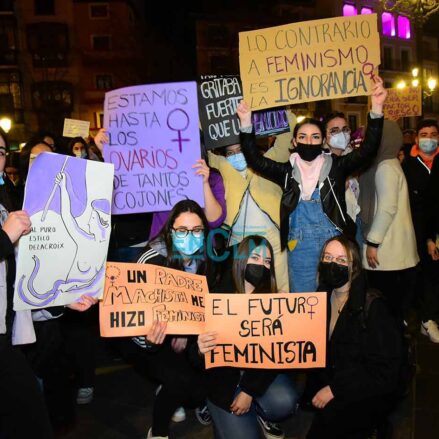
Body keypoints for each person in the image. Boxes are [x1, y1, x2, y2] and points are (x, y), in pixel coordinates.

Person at [237, 77, 386, 292]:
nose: (309, 142)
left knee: (337, 298)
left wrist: (377, 107)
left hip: (334, 243)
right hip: (299, 249)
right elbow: (254, 159)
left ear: (322, 141)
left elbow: (369, 149)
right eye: (303, 137)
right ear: (295, 142)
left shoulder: (336, 167)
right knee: (304, 303)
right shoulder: (286, 172)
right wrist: (245, 123)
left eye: (315, 137)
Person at [131, 200, 217, 439]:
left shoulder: (206, 261)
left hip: (185, 337)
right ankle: (158, 431)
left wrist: (185, 330)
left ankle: (191, 397)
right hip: (148, 340)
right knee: (179, 380)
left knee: (202, 379)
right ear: (170, 231)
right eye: (182, 230)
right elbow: (133, 316)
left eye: (197, 230)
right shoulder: (150, 260)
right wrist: (148, 340)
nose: (190, 236)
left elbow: (202, 306)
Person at [197, 235, 298, 439]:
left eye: (267, 261)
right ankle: (216, 413)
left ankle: (260, 412)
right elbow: (194, 361)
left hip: (255, 379)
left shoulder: (274, 302)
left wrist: (249, 391)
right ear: (241, 260)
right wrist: (200, 349)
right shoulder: (218, 299)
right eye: (255, 258)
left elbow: (274, 356)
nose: (261, 265)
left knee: (286, 401)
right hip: (222, 385)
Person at [306, 235, 402, 439]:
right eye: (328, 257)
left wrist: (334, 389)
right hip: (336, 386)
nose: (333, 264)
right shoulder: (321, 296)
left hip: (366, 392)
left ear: (354, 267)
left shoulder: (373, 307)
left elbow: (385, 372)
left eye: (341, 260)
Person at [207, 125, 293, 293]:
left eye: (240, 150)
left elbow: (285, 139)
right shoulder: (223, 166)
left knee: (279, 285)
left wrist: (283, 108)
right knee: (237, 287)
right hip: (238, 239)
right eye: (230, 153)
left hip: (272, 237)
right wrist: (201, 117)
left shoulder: (269, 161)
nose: (236, 155)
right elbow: (201, 148)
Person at [359, 120, 419, 325]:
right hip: (392, 250)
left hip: (387, 252)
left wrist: (373, 243)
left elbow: (386, 208)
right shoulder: (388, 163)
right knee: (393, 309)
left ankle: (393, 351)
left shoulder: (385, 166)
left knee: (387, 309)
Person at [402, 119, 439, 341]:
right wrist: (427, 237)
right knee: (425, 276)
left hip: (436, 231)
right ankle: (427, 318)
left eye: (433, 134)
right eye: (424, 134)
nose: (429, 139)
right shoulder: (408, 167)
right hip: (418, 232)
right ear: (416, 138)